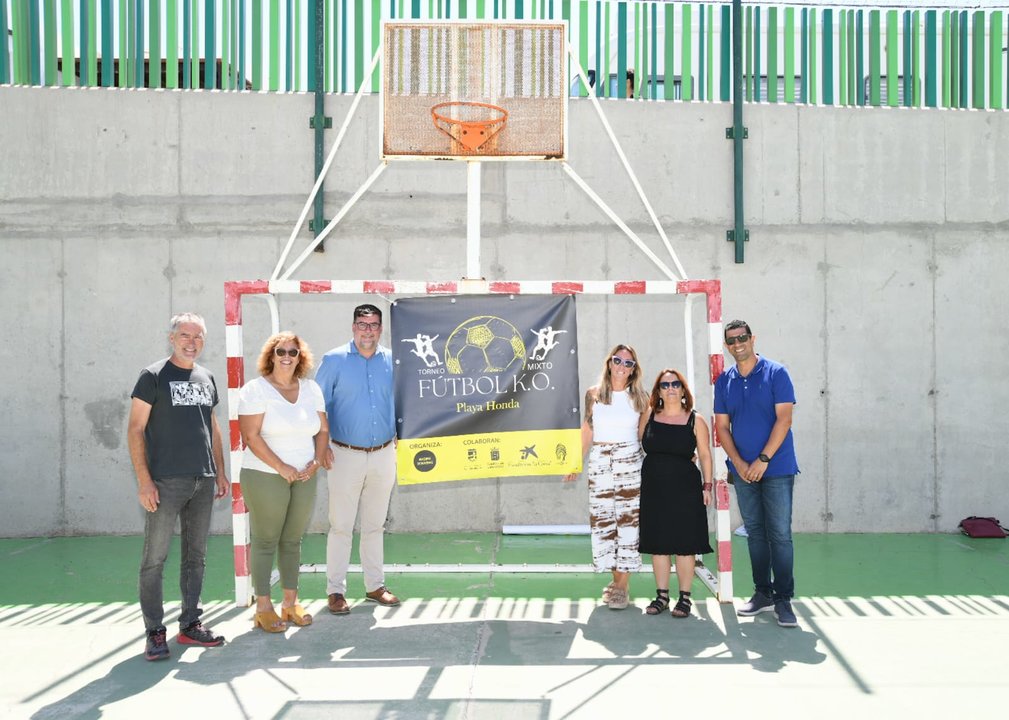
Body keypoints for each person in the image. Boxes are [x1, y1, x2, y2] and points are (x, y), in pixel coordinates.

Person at [127, 312, 230, 661]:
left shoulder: (207, 377)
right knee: (154, 559)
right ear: (172, 338)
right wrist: (144, 481)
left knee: (196, 557)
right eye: (185, 335)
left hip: (203, 479)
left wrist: (220, 471)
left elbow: (212, 427)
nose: (192, 341)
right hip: (165, 482)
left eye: (198, 336)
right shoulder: (152, 376)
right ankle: (155, 632)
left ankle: (190, 625)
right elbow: (135, 429)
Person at [238, 332, 332, 632]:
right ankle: (264, 608)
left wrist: (316, 461)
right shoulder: (255, 390)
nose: (287, 357)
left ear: (301, 356)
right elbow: (250, 436)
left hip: (304, 475)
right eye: (281, 351)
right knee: (266, 541)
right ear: (271, 355)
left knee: (292, 540)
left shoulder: (311, 388)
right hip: (265, 475)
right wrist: (281, 467)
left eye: (293, 351)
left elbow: (322, 430)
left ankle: (290, 604)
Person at [315, 304, 400, 615]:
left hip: (384, 454)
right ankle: (335, 591)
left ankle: (375, 585)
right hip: (343, 455)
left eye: (374, 325)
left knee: (375, 524)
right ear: (353, 327)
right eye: (362, 324)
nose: (368, 330)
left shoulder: (393, 360)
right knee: (340, 525)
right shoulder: (334, 360)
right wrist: (320, 447)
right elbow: (317, 406)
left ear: (380, 329)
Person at [714, 320, 800, 628]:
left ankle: (784, 599)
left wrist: (763, 459)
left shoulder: (777, 373)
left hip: (776, 468)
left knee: (779, 535)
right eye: (732, 340)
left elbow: (784, 420)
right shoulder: (725, 381)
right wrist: (737, 462)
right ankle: (762, 593)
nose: (738, 344)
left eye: (743, 338)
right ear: (727, 346)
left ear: (753, 339)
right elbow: (722, 426)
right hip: (743, 471)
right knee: (756, 534)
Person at [565, 344, 648, 610]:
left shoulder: (641, 398)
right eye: (618, 360)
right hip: (600, 463)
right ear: (609, 363)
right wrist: (575, 461)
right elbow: (588, 430)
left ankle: (622, 587)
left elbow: (645, 436)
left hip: (630, 465)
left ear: (634, 369)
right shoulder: (594, 394)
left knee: (628, 524)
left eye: (629, 363)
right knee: (604, 524)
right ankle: (617, 581)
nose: (622, 367)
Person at [637, 369, 713, 618]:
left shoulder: (696, 419)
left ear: (683, 390)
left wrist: (708, 486)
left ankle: (685, 598)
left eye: (675, 384)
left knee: (684, 545)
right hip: (654, 488)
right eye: (664, 384)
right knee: (658, 546)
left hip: (686, 490)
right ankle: (661, 597)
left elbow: (704, 454)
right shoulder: (649, 415)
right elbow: (641, 441)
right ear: (658, 391)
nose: (670, 388)